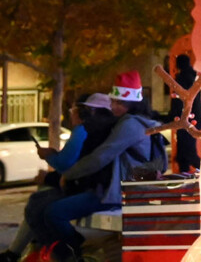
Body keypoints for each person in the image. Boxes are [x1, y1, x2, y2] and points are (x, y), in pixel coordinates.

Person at [30, 72, 161, 261]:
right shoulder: (136, 121)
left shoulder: (130, 125)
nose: (114, 106)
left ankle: (78, 252)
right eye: (113, 101)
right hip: (122, 187)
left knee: (53, 212)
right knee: (48, 207)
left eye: (119, 103)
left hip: (119, 191)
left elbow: (101, 157)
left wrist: (69, 174)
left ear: (132, 104)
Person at [0, 94, 112, 262]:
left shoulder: (83, 130)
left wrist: (50, 161)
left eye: (75, 110)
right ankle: (32, 249)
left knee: (44, 207)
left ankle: (65, 248)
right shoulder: (97, 131)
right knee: (39, 202)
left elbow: (67, 163)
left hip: (94, 189)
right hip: (90, 186)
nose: (72, 114)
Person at [168, 54, 201, 173]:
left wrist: (173, 115)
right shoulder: (193, 78)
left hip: (185, 118)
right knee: (187, 150)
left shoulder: (182, 78)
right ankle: (188, 176)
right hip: (194, 117)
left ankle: (198, 172)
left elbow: (179, 101)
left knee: (187, 152)